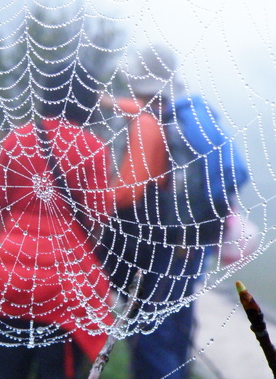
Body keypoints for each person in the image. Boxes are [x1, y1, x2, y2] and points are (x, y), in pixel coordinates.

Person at [101, 44, 248, 379]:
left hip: (171, 243)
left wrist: (95, 203)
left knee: (151, 331)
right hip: (196, 240)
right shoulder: (191, 111)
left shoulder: (162, 123)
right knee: (177, 325)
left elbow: (129, 188)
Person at [0, 62, 114, 379]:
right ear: (89, 101)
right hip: (65, 286)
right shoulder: (92, 147)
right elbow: (96, 216)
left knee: (4, 373)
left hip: (6, 278)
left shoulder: (16, 138)